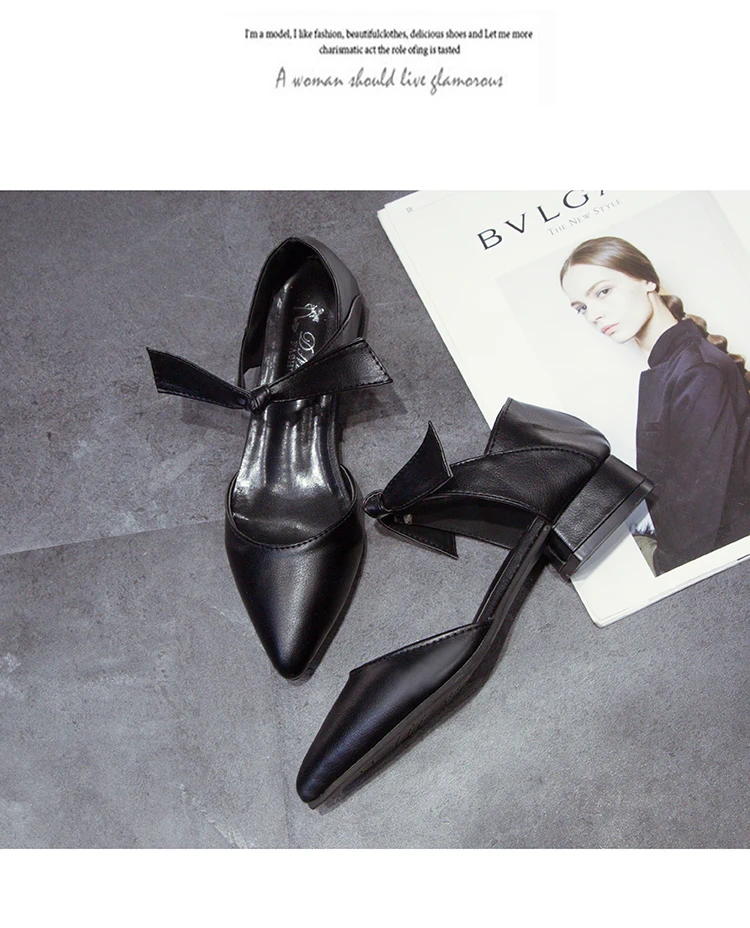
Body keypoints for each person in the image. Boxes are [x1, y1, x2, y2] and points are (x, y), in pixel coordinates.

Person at [560, 236, 750, 575]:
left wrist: (662, 570)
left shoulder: (697, 371)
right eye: (581, 307)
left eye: (603, 292)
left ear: (648, 280)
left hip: (713, 564)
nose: (594, 315)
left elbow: (698, 517)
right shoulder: (671, 366)